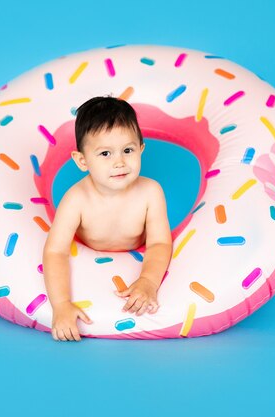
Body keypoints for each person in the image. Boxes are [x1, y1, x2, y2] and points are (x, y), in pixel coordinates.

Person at [42, 96, 172, 342]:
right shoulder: (76, 199)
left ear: (141, 149)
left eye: (128, 150)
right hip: (89, 256)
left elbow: (159, 243)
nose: (119, 162)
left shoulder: (151, 192)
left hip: (137, 252)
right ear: (82, 161)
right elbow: (55, 251)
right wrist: (61, 304)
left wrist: (148, 281)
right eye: (105, 153)